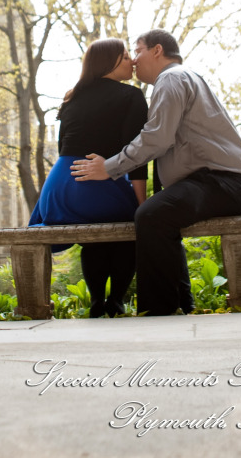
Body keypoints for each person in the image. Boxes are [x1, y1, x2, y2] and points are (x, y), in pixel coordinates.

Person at [71, 29, 241, 316]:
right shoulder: (181, 77)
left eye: (137, 51)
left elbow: (156, 139)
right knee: (161, 215)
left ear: (157, 50)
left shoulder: (171, 79)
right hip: (220, 181)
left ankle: (159, 310)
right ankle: (183, 303)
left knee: (152, 214)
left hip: (225, 181)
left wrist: (107, 167)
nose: (134, 60)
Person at [29, 37, 149, 317]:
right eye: (125, 57)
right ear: (109, 63)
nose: (132, 61)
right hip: (97, 178)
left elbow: (62, 148)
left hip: (60, 187)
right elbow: (137, 156)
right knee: (129, 228)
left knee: (94, 234)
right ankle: (115, 301)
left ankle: (97, 302)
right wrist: (141, 204)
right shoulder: (130, 96)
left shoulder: (72, 96)